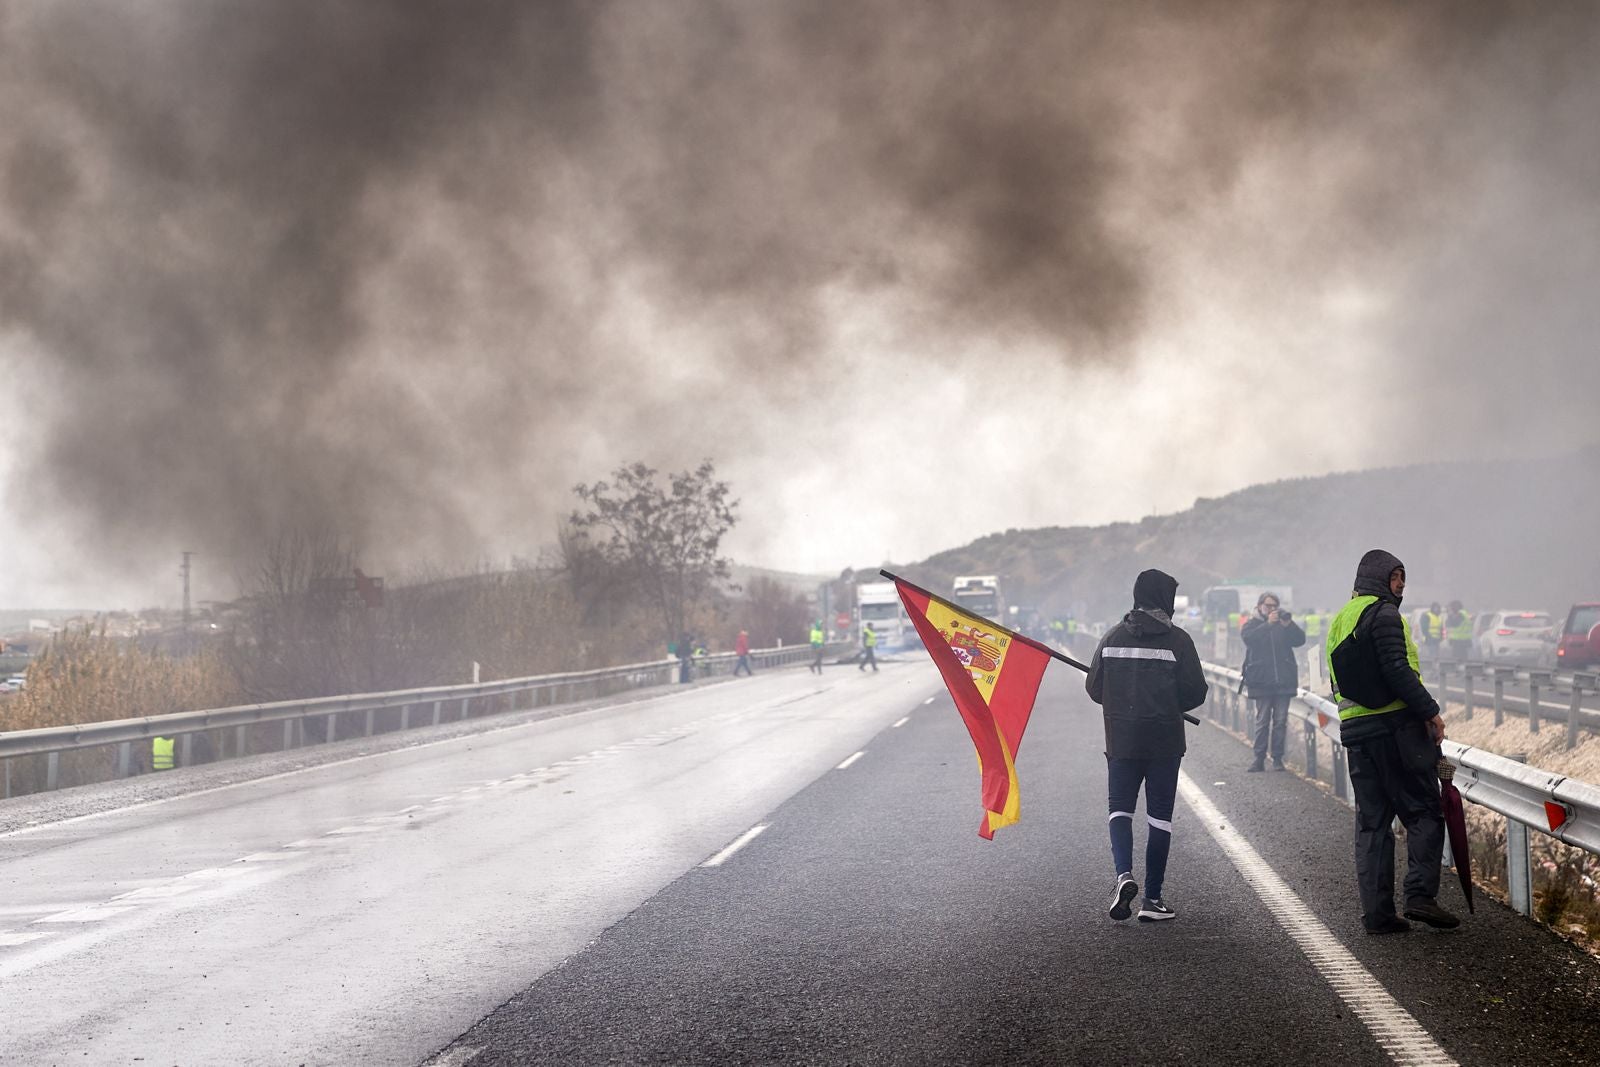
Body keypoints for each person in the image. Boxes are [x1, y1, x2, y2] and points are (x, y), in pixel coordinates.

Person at [1325, 549, 1458, 935]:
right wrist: (1430, 712)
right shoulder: (1384, 614)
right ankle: (1419, 896)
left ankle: (1378, 915)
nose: (1402, 585)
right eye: (1397, 577)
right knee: (1423, 812)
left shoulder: (1339, 620)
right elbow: (1397, 670)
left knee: (1372, 824)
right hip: (1396, 729)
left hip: (1356, 734)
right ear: (1379, 578)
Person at [1086, 569, 1208, 923]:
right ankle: (1152, 899)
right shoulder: (1179, 641)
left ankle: (1124, 874)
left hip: (1121, 741)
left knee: (1119, 811)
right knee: (1159, 818)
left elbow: (1095, 688)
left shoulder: (1112, 637)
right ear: (1166, 600)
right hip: (1164, 742)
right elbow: (1196, 692)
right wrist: (1166, 704)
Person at [1241, 592, 1305, 772]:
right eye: (1268, 606)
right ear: (1260, 605)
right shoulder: (1252, 624)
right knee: (1262, 721)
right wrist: (1267, 625)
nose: (1271, 609)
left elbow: (1301, 640)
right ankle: (1259, 758)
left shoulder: (1282, 625)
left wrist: (1289, 625)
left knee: (1280, 721)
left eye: (1274, 606)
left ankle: (1277, 758)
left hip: (1283, 681)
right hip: (1261, 681)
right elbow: (1249, 639)